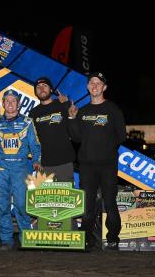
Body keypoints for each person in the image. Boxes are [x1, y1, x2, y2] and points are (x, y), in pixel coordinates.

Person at [68, 72, 126, 250]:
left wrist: (105, 150)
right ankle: (87, 239)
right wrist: (71, 118)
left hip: (108, 165)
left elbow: (121, 135)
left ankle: (113, 237)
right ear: (87, 87)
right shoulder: (82, 111)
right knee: (87, 203)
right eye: (91, 83)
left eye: (98, 83)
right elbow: (76, 138)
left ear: (104, 87)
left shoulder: (113, 109)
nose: (94, 86)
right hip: (86, 165)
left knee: (109, 202)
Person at [0, 89, 41, 250]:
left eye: (13, 101)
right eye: (7, 101)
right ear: (3, 104)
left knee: (22, 205)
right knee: (3, 206)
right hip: (1, 168)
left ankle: (26, 238)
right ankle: (6, 240)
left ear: (19, 104)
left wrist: (36, 161)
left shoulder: (27, 122)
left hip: (20, 168)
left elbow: (35, 145)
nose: (10, 104)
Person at [29, 77, 75, 183]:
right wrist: (36, 160)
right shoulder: (33, 113)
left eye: (44, 85)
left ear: (51, 89)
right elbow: (32, 140)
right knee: (46, 199)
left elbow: (74, 132)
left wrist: (66, 104)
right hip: (44, 165)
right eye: (38, 87)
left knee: (66, 198)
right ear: (35, 92)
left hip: (65, 162)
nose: (41, 88)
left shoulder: (62, 104)